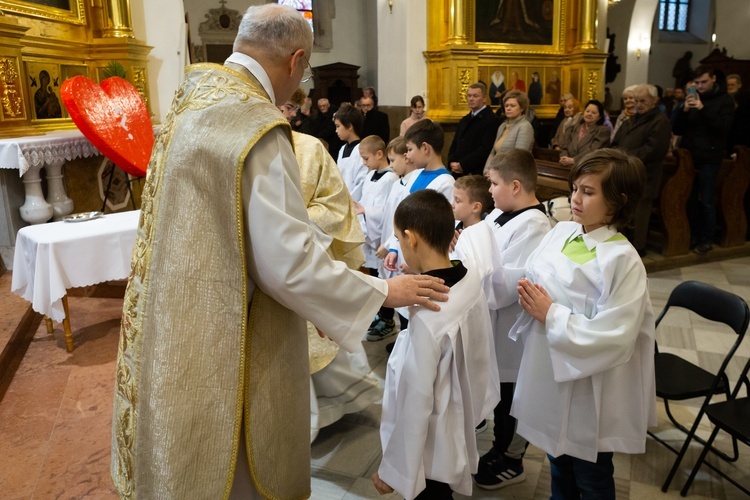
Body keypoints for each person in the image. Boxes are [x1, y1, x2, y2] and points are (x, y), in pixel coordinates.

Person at [110, 5, 450, 499]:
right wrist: (382, 292)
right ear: (295, 60)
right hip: (233, 334)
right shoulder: (254, 127)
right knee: (238, 473)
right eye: (305, 71)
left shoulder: (188, 108)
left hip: (178, 320)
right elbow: (286, 264)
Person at [511, 148, 656, 499]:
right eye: (574, 188)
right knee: (557, 460)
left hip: (592, 387)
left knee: (590, 474)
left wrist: (552, 314)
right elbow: (535, 272)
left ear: (618, 201)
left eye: (588, 192)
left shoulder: (622, 259)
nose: (574, 199)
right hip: (550, 369)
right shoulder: (563, 233)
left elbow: (616, 336)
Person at [372, 189, 501, 500]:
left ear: (411, 238)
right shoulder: (466, 277)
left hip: (429, 446)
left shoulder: (431, 317)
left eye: (399, 241)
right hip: (455, 426)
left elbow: (416, 402)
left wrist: (394, 469)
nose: (401, 248)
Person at [468, 149, 551, 491]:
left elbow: (506, 286)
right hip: (491, 326)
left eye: (493, 183)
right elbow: (481, 257)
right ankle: (499, 449)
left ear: (515, 186)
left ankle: (512, 459)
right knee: (500, 396)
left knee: (512, 398)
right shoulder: (499, 215)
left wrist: (475, 264)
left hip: (512, 332)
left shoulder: (534, 224)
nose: (488, 191)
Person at [673, 65, 735, 255]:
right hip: (690, 156)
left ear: (713, 79)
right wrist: (683, 110)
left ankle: (707, 239)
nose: (700, 86)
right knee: (689, 199)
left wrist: (703, 108)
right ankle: (693, 234)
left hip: (710, 156)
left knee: (707, 200)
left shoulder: (725, 100)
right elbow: (677, 129)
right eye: (697, 83)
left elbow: (723, 128)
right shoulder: (691, 98)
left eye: (704, 82)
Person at [384, 119, 455, 275]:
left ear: (425, 148)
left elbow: (437, 233)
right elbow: (402, 216)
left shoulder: (445, 183)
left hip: (424, 263)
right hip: (405, 251)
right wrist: (394, 248)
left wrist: (419, 266)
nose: (407, 156)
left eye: (409, 149)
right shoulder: (415, 175)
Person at [612, 84, 672, 256]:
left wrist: (624, 158)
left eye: (643, 100)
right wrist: (616, 155)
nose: (638, 104)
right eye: (636, 100)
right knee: (624, 212)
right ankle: (624, 246)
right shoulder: (631, 120)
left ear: (654, 100)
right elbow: (615, 142)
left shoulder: (660, 122)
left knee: (640, 214)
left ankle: (638, 248)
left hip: (646, 176)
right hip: (624, 174)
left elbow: (653, 150)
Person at [371, 136, 420, 340]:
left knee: (407, 299)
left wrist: (391, 244)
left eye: (393, 160)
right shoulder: (399, 182)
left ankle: (405, 336)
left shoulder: (411, 184)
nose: (390, 165)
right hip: (392, 243)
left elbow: (405, 220)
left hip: (402, 245)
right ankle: (398, 332)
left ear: (407, 158)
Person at [353, 135, 399, 279]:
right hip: (367, 232)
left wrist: (366, 211)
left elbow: (389, 211)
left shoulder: (391, 178)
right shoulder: (370, 175)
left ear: (379, 154)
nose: (363, 163)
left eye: (366, 158)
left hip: (380, 238)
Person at [448, 82, 501, 178]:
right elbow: (455, 143)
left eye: (475, 96)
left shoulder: (491, 120)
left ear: (484, 98)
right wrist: (452, 161)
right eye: (469, 96)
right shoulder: (465, 119)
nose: (471, 99)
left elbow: (485, 149)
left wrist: (463, 165)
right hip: (458, 172)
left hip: (475, 173)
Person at [485, 90, 535, 169]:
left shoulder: (525, 126)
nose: (508, 108)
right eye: (506, 106)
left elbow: (519, 157)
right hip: (496, 171)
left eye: (512, 106)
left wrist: (496, 172)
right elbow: (493, 152)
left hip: (513, 172)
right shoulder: (503, 126)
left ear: (522, 108)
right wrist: (487, 170)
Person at [559, 100, 611, 167]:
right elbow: (565, 146)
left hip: (590, 167)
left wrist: (573, 160)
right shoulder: (576, 126)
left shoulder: (603, 130)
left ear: (599, 117)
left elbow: (593, 151)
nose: (589, 114)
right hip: (568, 166)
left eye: (594, 113)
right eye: (587, 111)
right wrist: (564, 158)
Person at [334, 103, 367, 201]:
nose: (336, 130)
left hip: (354, 202)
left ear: (349, 126)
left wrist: (348, 200)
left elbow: (362, 182)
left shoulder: (362, 150)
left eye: (338, 126)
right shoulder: (342, 149)